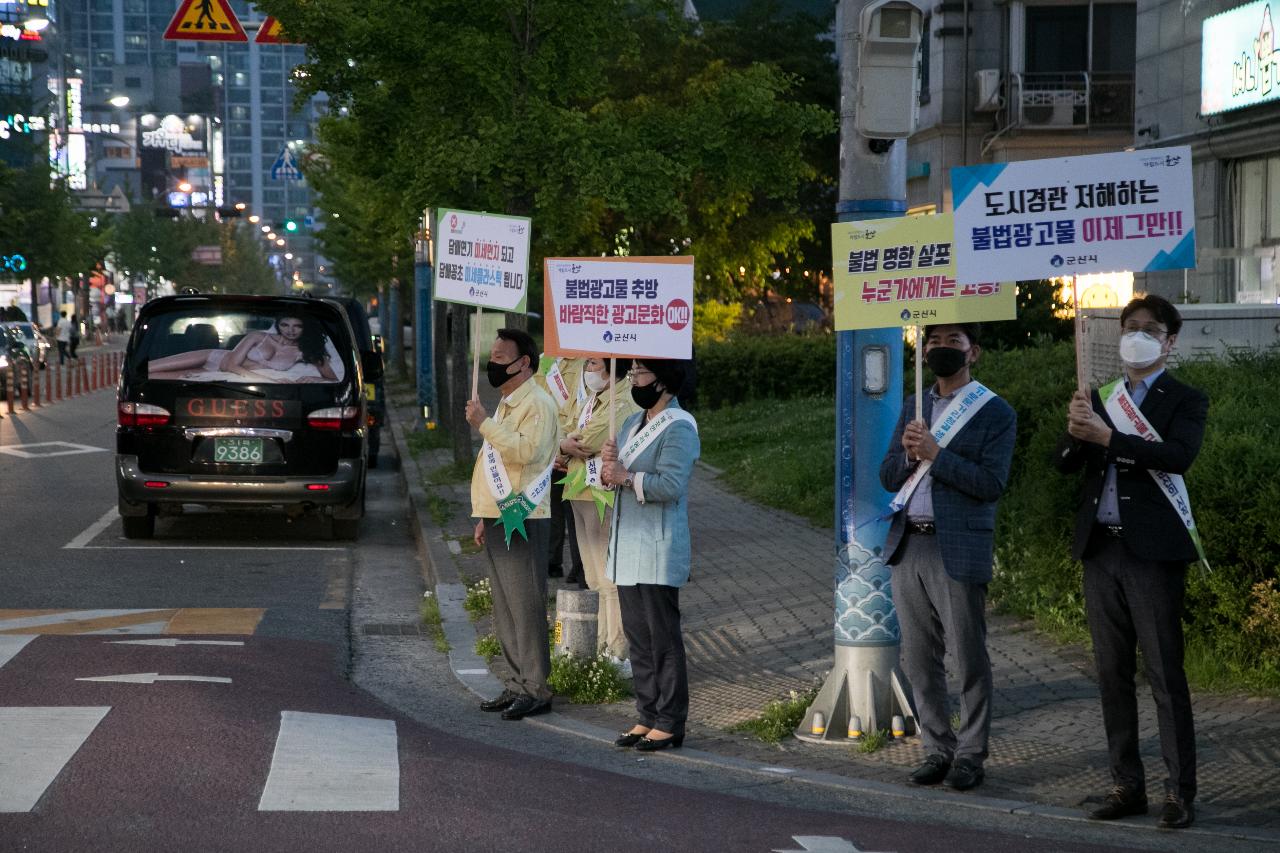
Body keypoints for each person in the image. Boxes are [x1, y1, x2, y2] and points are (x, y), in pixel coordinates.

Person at [1053, 295, 1207, 830]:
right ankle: (1126, 784)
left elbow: (1177, 457)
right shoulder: (1099, 396)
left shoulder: (1184, 399)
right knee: (1111, 674)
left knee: (1165, 673)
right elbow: (1064, 463)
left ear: (1170, 341)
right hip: (1102, 550)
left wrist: (1110, 438)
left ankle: (1179, 792)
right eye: (1130, 327)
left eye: (1150, 329)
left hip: (1153, 555)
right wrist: (1077, 434)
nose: (1137, 336)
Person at [879, 323, 1016, 791]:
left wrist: (937, 453)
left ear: (972, 351)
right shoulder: (914, 405)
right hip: (908, 543)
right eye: (933, 341)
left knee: (969, 655)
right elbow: (887, 476)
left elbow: (991, 484)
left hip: (957, 545)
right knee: (919, 659)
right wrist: (908, 454)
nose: (940, 349)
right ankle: (937, 748)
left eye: (952, 342)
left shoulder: (994, 412)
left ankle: (971, 755)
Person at [601, 358, 699, 751]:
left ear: (661, 381)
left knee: (663, 637)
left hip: (658, 545)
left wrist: (625, 476)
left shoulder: (680, 426)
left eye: (639, 374)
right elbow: (617, 478)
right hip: (627, 543)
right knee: (638, 636)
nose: (633, 381)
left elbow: (672, 484)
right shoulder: (629, 424)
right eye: (633, 374)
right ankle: (647, 713)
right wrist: (609, 468)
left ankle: (671, 719)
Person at [467, 328, 559, 721]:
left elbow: (526, 452)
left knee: (525, 606)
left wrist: (484, 423)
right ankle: (517, 682)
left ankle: (536, 687)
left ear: (524, 363)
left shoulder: (536, 402)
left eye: (502, 357)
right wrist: (484, 515)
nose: (494, 363)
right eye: (493, 355)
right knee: (505, 608)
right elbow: (496, 461)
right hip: (501, 515)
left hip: (523, 514)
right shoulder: (508, 401)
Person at [558, 356, 640, 673]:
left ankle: (618, 651)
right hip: (578, 490)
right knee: (592, 577)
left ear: (611, 366)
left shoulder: (623, 397)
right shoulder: (592, 398)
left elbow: (592, 438)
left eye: (593, 363)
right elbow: (562, 429)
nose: (587, 370)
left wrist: (566, 443)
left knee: (609, 578)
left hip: (602, 494)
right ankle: (602, 644)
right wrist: (564, 444)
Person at [148, 316, 338, 382]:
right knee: (147, 369)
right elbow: (231, 364)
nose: (290, 330)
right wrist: (267, 379)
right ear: (278, 325)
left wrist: (314, 377)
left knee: (155, 377)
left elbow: (332, 378)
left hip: (214, 375)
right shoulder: (258, 336)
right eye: (285, 324)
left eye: (297, 326)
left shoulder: (305, 351)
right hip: (214, 358)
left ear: (305, 329)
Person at [537, 356, 586, 583]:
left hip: (570, 444)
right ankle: (560, 562)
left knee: (570, 509)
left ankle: (572, 564)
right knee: (561, 507)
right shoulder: (546, 362)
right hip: (558, 444)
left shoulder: (587, 362)